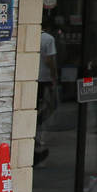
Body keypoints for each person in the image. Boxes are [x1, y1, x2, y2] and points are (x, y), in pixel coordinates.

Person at [34, 27, 59, 166]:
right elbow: (50, 60)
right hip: (45, 78)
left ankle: (33, 129)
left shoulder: (32, 35)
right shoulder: (48, 39)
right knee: (52, 104)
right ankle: (35, 126)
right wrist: (54, 77)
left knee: (34, 107)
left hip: (33, 78)